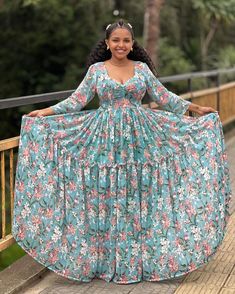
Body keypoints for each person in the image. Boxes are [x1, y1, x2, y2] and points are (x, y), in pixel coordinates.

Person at [12, 19, 232, 284]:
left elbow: (163, 97)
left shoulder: (141, 69)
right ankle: (105, 261)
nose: (121, 45)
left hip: (141, 141)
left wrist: (196, 109)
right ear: (107, 43)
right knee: (105, 196)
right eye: (116, 40)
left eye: (126, 40)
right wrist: (44, 112)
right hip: (104, 142)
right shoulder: (96, 70)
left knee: (139, 196)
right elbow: (77, 101)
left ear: (132, 43)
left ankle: (142, 260)